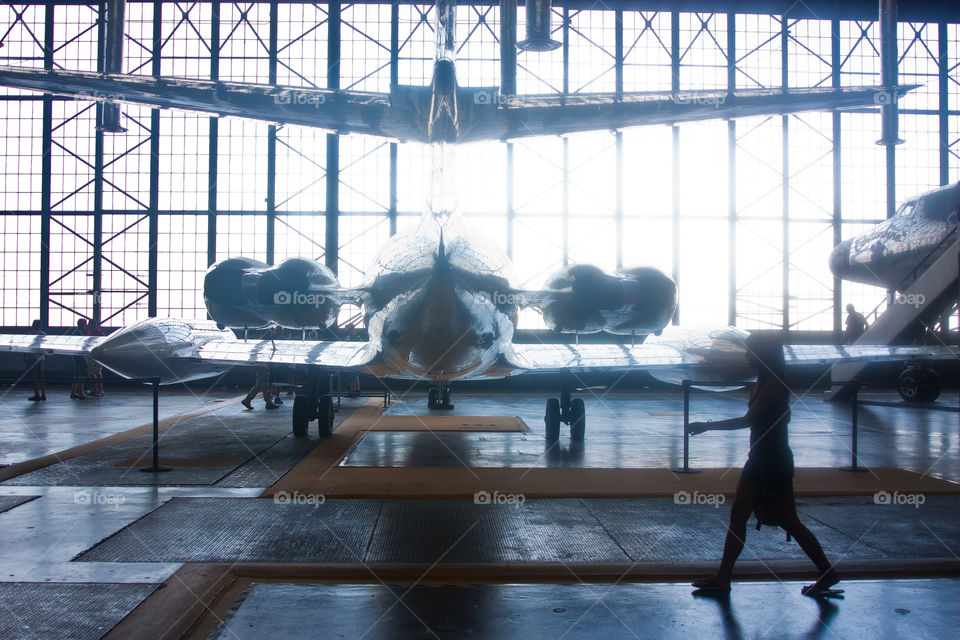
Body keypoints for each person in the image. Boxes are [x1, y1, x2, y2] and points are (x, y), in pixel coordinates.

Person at [687, 333, 840, 597]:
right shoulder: (764, 383)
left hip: (772, 462)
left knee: (789, 521)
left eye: (749, 351)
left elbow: (748, 421)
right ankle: (723, 577)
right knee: (739, 516)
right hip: (760, 459)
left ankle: (827, 573)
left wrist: (707, 426)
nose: (746, 355)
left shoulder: (772, 386)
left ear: (761, 354)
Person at [25, 319, 46, 402]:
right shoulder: (44, 335)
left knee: (33, 377)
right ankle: (43, 394)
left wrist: (25, 357)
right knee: (41, 376)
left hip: (31, 357)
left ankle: (37, 394)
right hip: (41, 358)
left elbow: (26, 347)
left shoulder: (29, 335)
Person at [84, 319, 106, 396]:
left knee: (98, 373)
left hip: (96, 355)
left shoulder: (98, 333)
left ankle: (100, 390)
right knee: (92, 373)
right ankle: (94, 389)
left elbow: (103, 342)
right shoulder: (89, 332)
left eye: (89, 324)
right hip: (91, 354)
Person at [69, 318, 89, 399]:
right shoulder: (78, 333)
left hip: (77, 355)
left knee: (77, 374)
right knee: (81, 374)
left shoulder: (76, 332)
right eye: (85, 324)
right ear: (81, 324)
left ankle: (73, 392)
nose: (86, 326)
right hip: (79, 355)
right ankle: (80, 392)